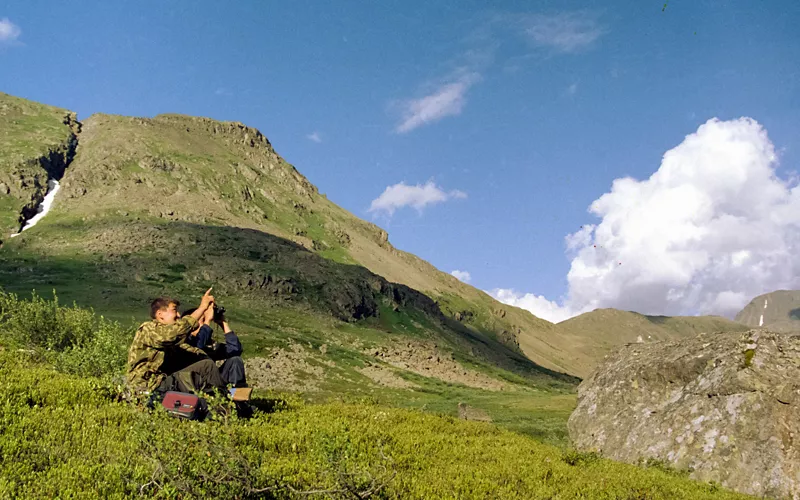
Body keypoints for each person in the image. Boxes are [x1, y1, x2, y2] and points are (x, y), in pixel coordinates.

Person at [127, 288, 227, 398]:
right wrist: (202, 308)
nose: (178, 315)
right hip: (148, 386)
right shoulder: (148, 329)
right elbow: (173, 334)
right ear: (160, 314)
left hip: (162, 383)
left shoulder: (167, 338)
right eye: (174, 310)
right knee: (206, 366)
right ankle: (223, 404)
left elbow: (188, 349)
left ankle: (224, 398)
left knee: (205, 363)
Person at [182, 305, 248, 388]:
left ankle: (235, 395)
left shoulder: (208, 343)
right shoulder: (184, 342)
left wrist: (223, 323)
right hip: (192, 382)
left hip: (211, 380)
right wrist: (207, 321)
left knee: (235, 360)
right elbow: (198, 346)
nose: (205, 324)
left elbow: (235, 349)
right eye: (202, 320)